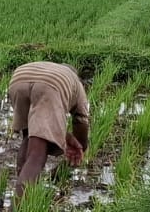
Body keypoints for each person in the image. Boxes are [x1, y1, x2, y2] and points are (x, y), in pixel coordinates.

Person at [6, 61, 90, 194]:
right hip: (49, 86)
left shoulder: (51, 69)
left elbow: (35, 125)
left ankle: (23, 180)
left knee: (28, 137)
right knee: (37, 153)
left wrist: (63, 134)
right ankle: (18, 205)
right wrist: (81, 145)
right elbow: (81, 120)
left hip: (18, 79)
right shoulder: (75, 83)